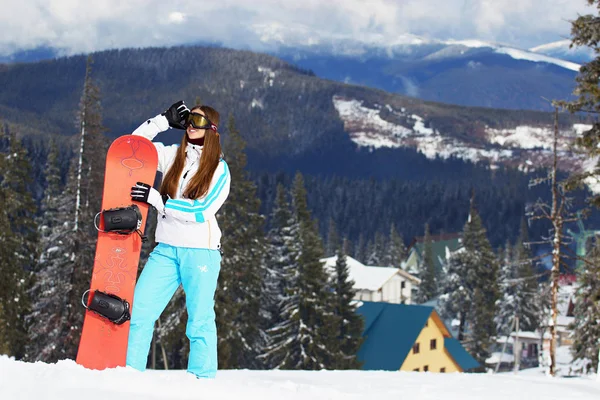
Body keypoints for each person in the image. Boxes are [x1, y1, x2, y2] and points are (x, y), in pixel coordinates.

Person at [125, 101, 230, 378]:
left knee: (199, 322)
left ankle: (201, 381)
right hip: (167, 249)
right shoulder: (173, 156)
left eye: (198, 120)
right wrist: (161, 121)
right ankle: (127, 375)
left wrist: (160, 201)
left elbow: (202, 210)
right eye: (188, 119)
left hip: (200, 253)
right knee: (140, 313)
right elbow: (131, 147)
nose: (190, 125)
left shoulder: (219, 170)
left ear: (212, 130)